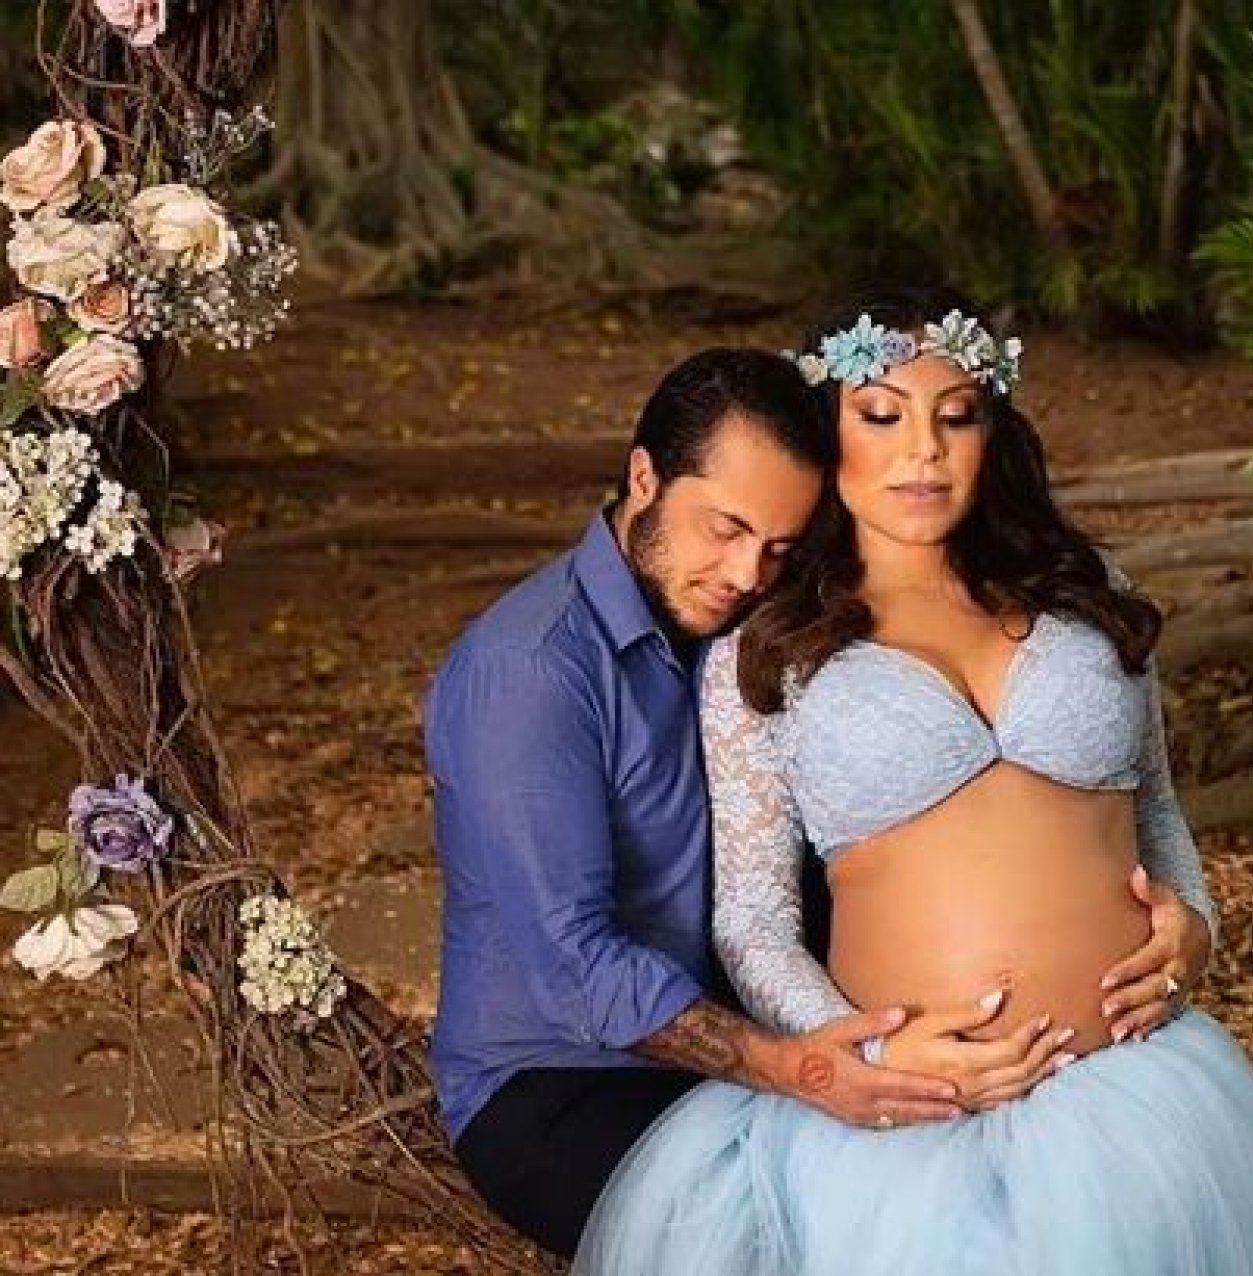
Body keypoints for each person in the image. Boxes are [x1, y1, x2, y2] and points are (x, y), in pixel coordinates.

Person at [574, 294, 1253, 1275]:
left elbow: (1155, 808)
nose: (925, 451)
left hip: (1135, 1092)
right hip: (914, 1123)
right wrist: (862, 1054)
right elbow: (754, 921)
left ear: (992, 430)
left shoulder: (1088, 594)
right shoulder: (765, 653)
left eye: (956, 416)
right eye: (882, 415)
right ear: (828, 434)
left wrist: (1195, 924)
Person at [424, 347, 1184, 1259]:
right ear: (643, 478)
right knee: (799, 1241)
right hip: (567, 1077)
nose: (748, 572)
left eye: (780, 544)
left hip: (749, 1036)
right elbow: (574, 968)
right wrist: (806, 1066)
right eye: (725, 528)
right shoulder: (529, 672)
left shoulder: (763, 622)